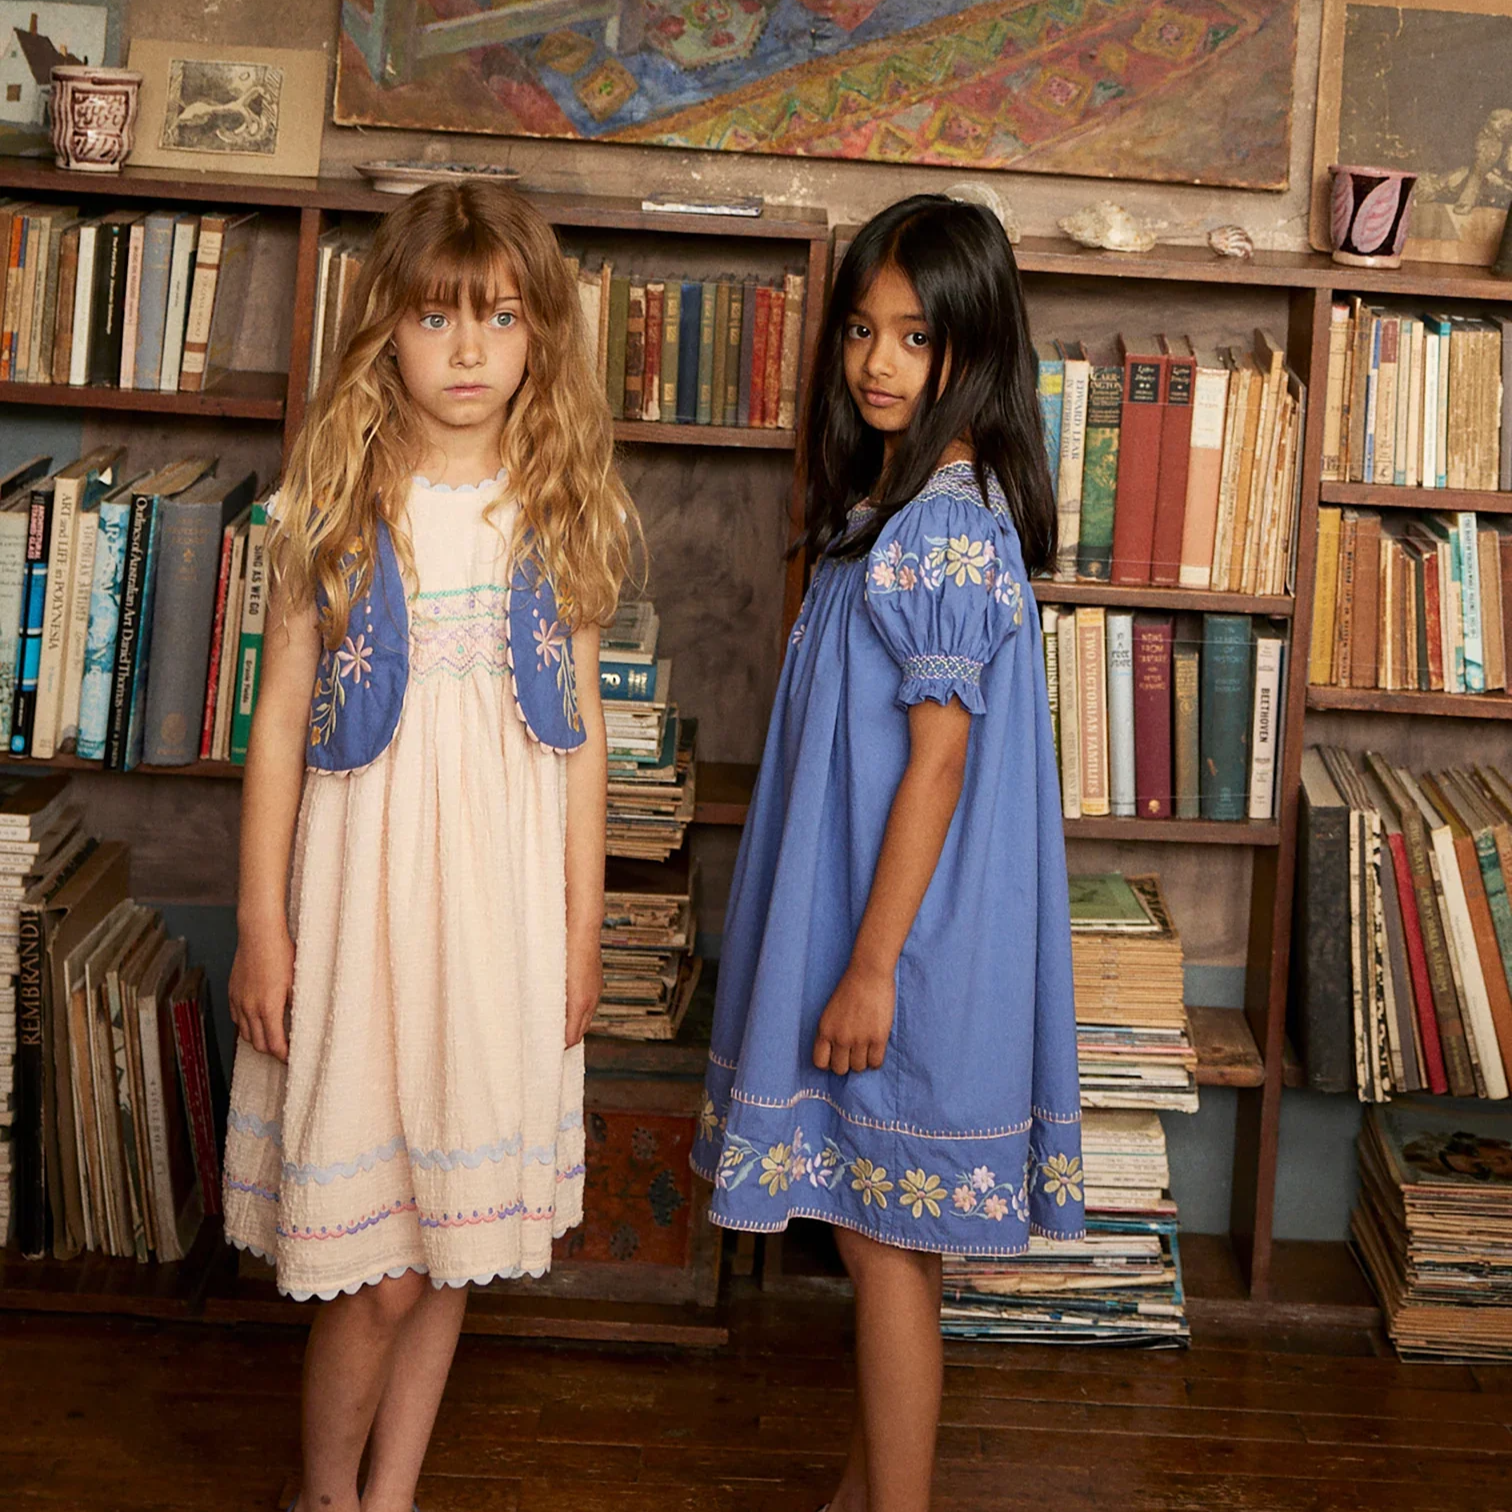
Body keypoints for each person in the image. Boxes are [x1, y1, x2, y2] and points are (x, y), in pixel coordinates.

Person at [221, 181, 636, 1512]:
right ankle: (324, 1494)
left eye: (499, 319)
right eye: (435, 318)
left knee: (453, 1250)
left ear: (538, 337)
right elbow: (280, 724)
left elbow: (580, 744)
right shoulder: (336, 505)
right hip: (362, 909)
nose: (468, 352)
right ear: (385, 332)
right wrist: (261, 927)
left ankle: (389, 1497)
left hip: (499, 918)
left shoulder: (555, 510)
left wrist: (582, 935)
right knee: (381, 1267)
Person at [692, 194, 1084, 1512]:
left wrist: (868, 972)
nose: (877, 363)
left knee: (881, 1252)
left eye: (916, 339)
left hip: (902, 950)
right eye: (863, 331)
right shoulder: (900, 513)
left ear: (974, 348)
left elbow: (938, 765)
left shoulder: (940, 533)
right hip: (891, 930)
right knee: (885, 1245)